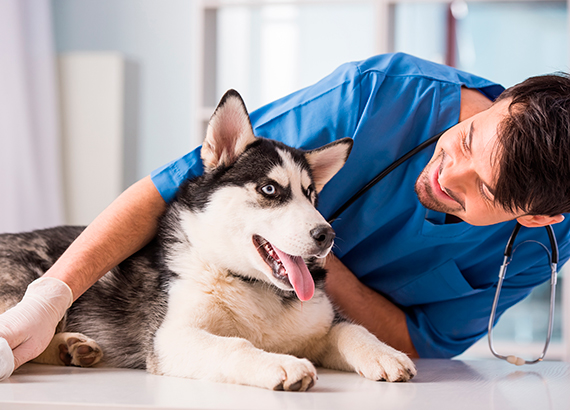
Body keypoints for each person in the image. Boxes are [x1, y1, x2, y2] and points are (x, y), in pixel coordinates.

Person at [1, 52, 569, 379]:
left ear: (538, 220)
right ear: (505, 99)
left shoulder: (548, 239)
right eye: (466, 141)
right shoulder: (376, 96)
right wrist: (50, 296)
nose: (448, 174)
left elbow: (420, 344)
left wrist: (311, 258)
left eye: (480, 190)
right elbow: (171, 188)